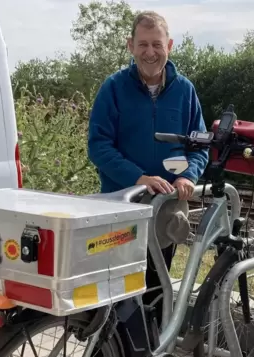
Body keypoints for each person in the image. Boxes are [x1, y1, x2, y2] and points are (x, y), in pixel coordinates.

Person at [87, 10, 209, 329]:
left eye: (157, 44)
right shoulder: (113, 88)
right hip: (122, 207)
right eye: (143, 44)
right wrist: (137, 178)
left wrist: (187, 175)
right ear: (130, 45)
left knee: (156, 288)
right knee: (115, 291)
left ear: (169, 45)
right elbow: (98, 146)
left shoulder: (185, 91)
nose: (150, 52)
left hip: (165, 209)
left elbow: (197, 145)